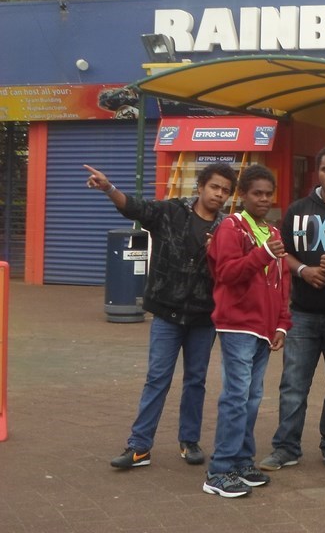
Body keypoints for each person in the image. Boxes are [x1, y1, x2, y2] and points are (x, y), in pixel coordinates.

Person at [86, 161, 237, 470]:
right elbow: (134, 208)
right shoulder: (171, 212)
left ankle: (189, 441)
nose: (219, 194)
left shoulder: (228, 228)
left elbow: (234, 271)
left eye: (225, 190)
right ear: (200, 186)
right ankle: (139, 446)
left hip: (204, 317)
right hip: (167, 313)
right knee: (157, 378)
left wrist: (219, 251)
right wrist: (108, 188)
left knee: (195, 380)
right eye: (214, 187)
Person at [259, 144, 325, 472]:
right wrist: (304, 270)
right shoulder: (297, 209)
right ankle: (286, 447)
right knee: (293, 384)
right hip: (303, 312)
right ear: (318, 172)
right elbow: (282, 252)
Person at [203, 164, 291, 498]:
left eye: (269, 194)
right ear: (242, 195)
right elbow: (226, 273)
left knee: (252, 398)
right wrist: (262, 254)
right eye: (257, 194)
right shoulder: (231, 227)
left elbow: (283, 281)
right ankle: (219, 470)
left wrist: (282, 323)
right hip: (237, 324)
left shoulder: (273, 232)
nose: (264, 199)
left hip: (264, 329)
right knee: (236, 397)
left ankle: (241, 461)